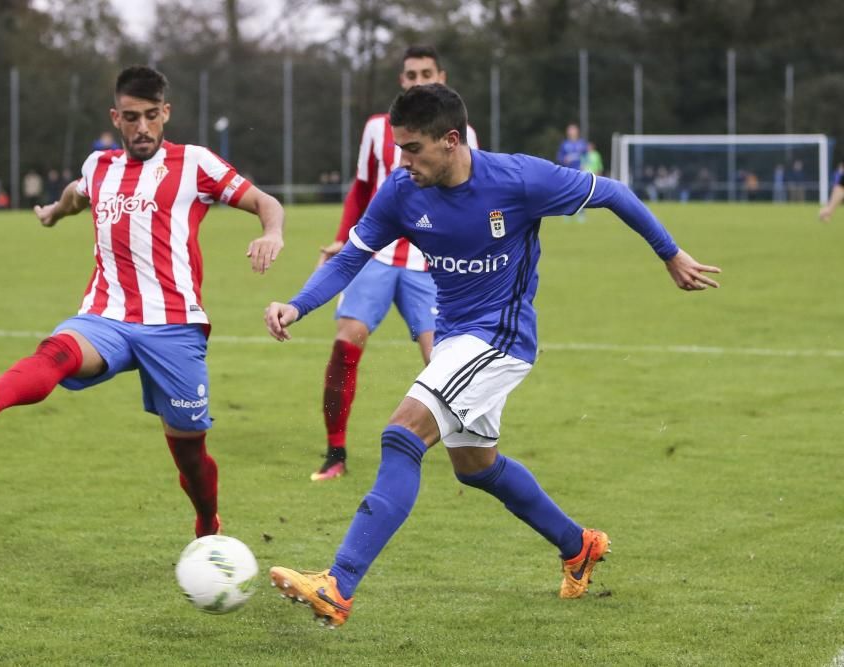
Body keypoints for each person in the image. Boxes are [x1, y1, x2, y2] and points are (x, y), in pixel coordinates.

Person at [264, 84, 720, 627]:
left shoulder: (520, 178)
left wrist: (671, 254)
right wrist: (297, 305)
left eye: (412, 148)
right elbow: (351, 259)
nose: (402, 160)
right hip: (457, 337)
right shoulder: (401, 190)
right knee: (475, 467)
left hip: (502, 339)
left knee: (402, 434)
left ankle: (339, 584)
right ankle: (579, 545)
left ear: (451, 140)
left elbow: (614, 192)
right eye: (398, 148)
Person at [0, 66, 285, 539]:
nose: (143, 128)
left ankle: (207, 521)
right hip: (106, 316)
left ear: (166, 114)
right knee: (56, 352)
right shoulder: (98, 167)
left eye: (152, 116)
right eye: (132, 117)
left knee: (190, 454)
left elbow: (266, 202)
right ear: (116, 117)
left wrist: (272, 232)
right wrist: (54, 213)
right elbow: (77, 196)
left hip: (175, 327)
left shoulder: (195, 163)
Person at [310, 44, 479, 482]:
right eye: (410, 74)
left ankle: (471, 452)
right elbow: (362, 188)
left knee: (441, 361)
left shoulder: (463, 135)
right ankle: (336, 452)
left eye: (427, 72)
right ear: (401, 81)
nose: (418, 80)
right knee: (347, 342)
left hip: (430, 266)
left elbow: (470, 203)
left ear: (442, 75)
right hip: (377, 256)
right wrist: (340, 238)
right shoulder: (376, 129)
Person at [556, 123, 588, 220]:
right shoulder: (564, 144)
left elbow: (586, 156)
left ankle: (581, 213)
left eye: (573, 130)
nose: (572, 132)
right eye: (570, 130)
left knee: (581, 192)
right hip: (568, 172)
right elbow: (559, 157)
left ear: (577, 131)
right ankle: (566, 213)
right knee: (567, 192)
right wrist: (564, 159)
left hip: (579, 172)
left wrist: (585, 164)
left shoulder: (582, 143)